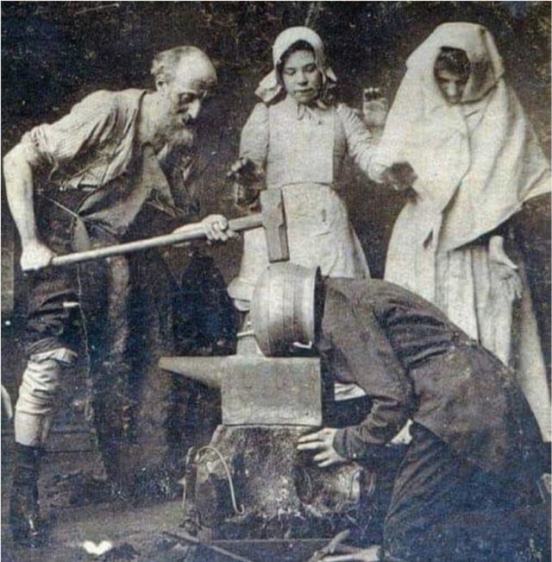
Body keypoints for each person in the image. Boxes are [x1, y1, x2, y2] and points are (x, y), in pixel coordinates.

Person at [3, 45, 234, 546]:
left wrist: (204, 225)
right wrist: (31, 242)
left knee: (136, 359)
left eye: (204, 100)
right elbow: (16, 159)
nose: (195, 112)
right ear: (161, 84)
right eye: (187, 98)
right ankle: (22, 495)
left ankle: (126, 475)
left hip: (113, 258)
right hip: (59, 245)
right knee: (50, 365)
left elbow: (168, 226)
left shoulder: (180, 146)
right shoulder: (108, 111)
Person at [369, 22, 551, 442]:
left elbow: (509, 183)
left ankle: (495, 436)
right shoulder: (418, 99)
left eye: (460, 81)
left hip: (486, 245)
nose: (452, 91)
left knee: (487, 333)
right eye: (444, 82)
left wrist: (497, 239)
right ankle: (430, 435)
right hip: (425, 241)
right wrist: (397, 169)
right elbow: (389, 165)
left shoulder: (501, 107)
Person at [298, 276, 546, 561]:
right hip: (475, 399)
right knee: (434, 519)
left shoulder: (340, 313)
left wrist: (346, 443)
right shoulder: (345, 294)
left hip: (458, 411)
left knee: (406, 534)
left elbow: (394, 400)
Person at [227, 26, 376, 313]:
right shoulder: (265, 116)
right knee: (280, 315)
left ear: (322, 69)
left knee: (335, 310)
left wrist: (380, 128)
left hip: (328, 226)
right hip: (279, 227)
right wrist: (248, 180)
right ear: (280, 75)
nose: (302, 80)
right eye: (291, 72)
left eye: (309, 69)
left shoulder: (341, 116)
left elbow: (375, 163)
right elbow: (246, 195)